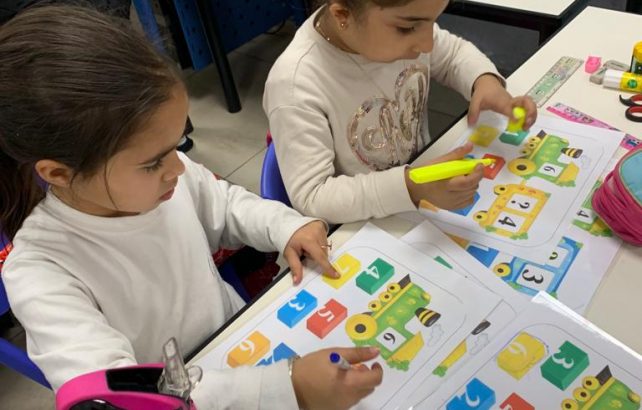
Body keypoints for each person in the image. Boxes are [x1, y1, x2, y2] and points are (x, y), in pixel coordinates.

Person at [0, 5, 382, 409]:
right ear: (59, 173)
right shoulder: (40, 270)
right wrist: (281, 388)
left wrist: (285, 225)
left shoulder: (167, 178)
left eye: (176, 144)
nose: (178, 168)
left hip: (242, 341)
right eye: (153, 162)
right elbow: (119, 397)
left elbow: (227, 206)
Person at [263, 0, 537, 224]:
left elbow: (453, 53)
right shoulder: (295, 85)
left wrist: (484, 81)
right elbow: (314, 196)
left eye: (433, 21)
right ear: (342, 15)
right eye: (408, 27)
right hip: (360, 228)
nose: (427, 44)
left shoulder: (398, 26)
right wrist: (411, 187)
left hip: (418, 199)